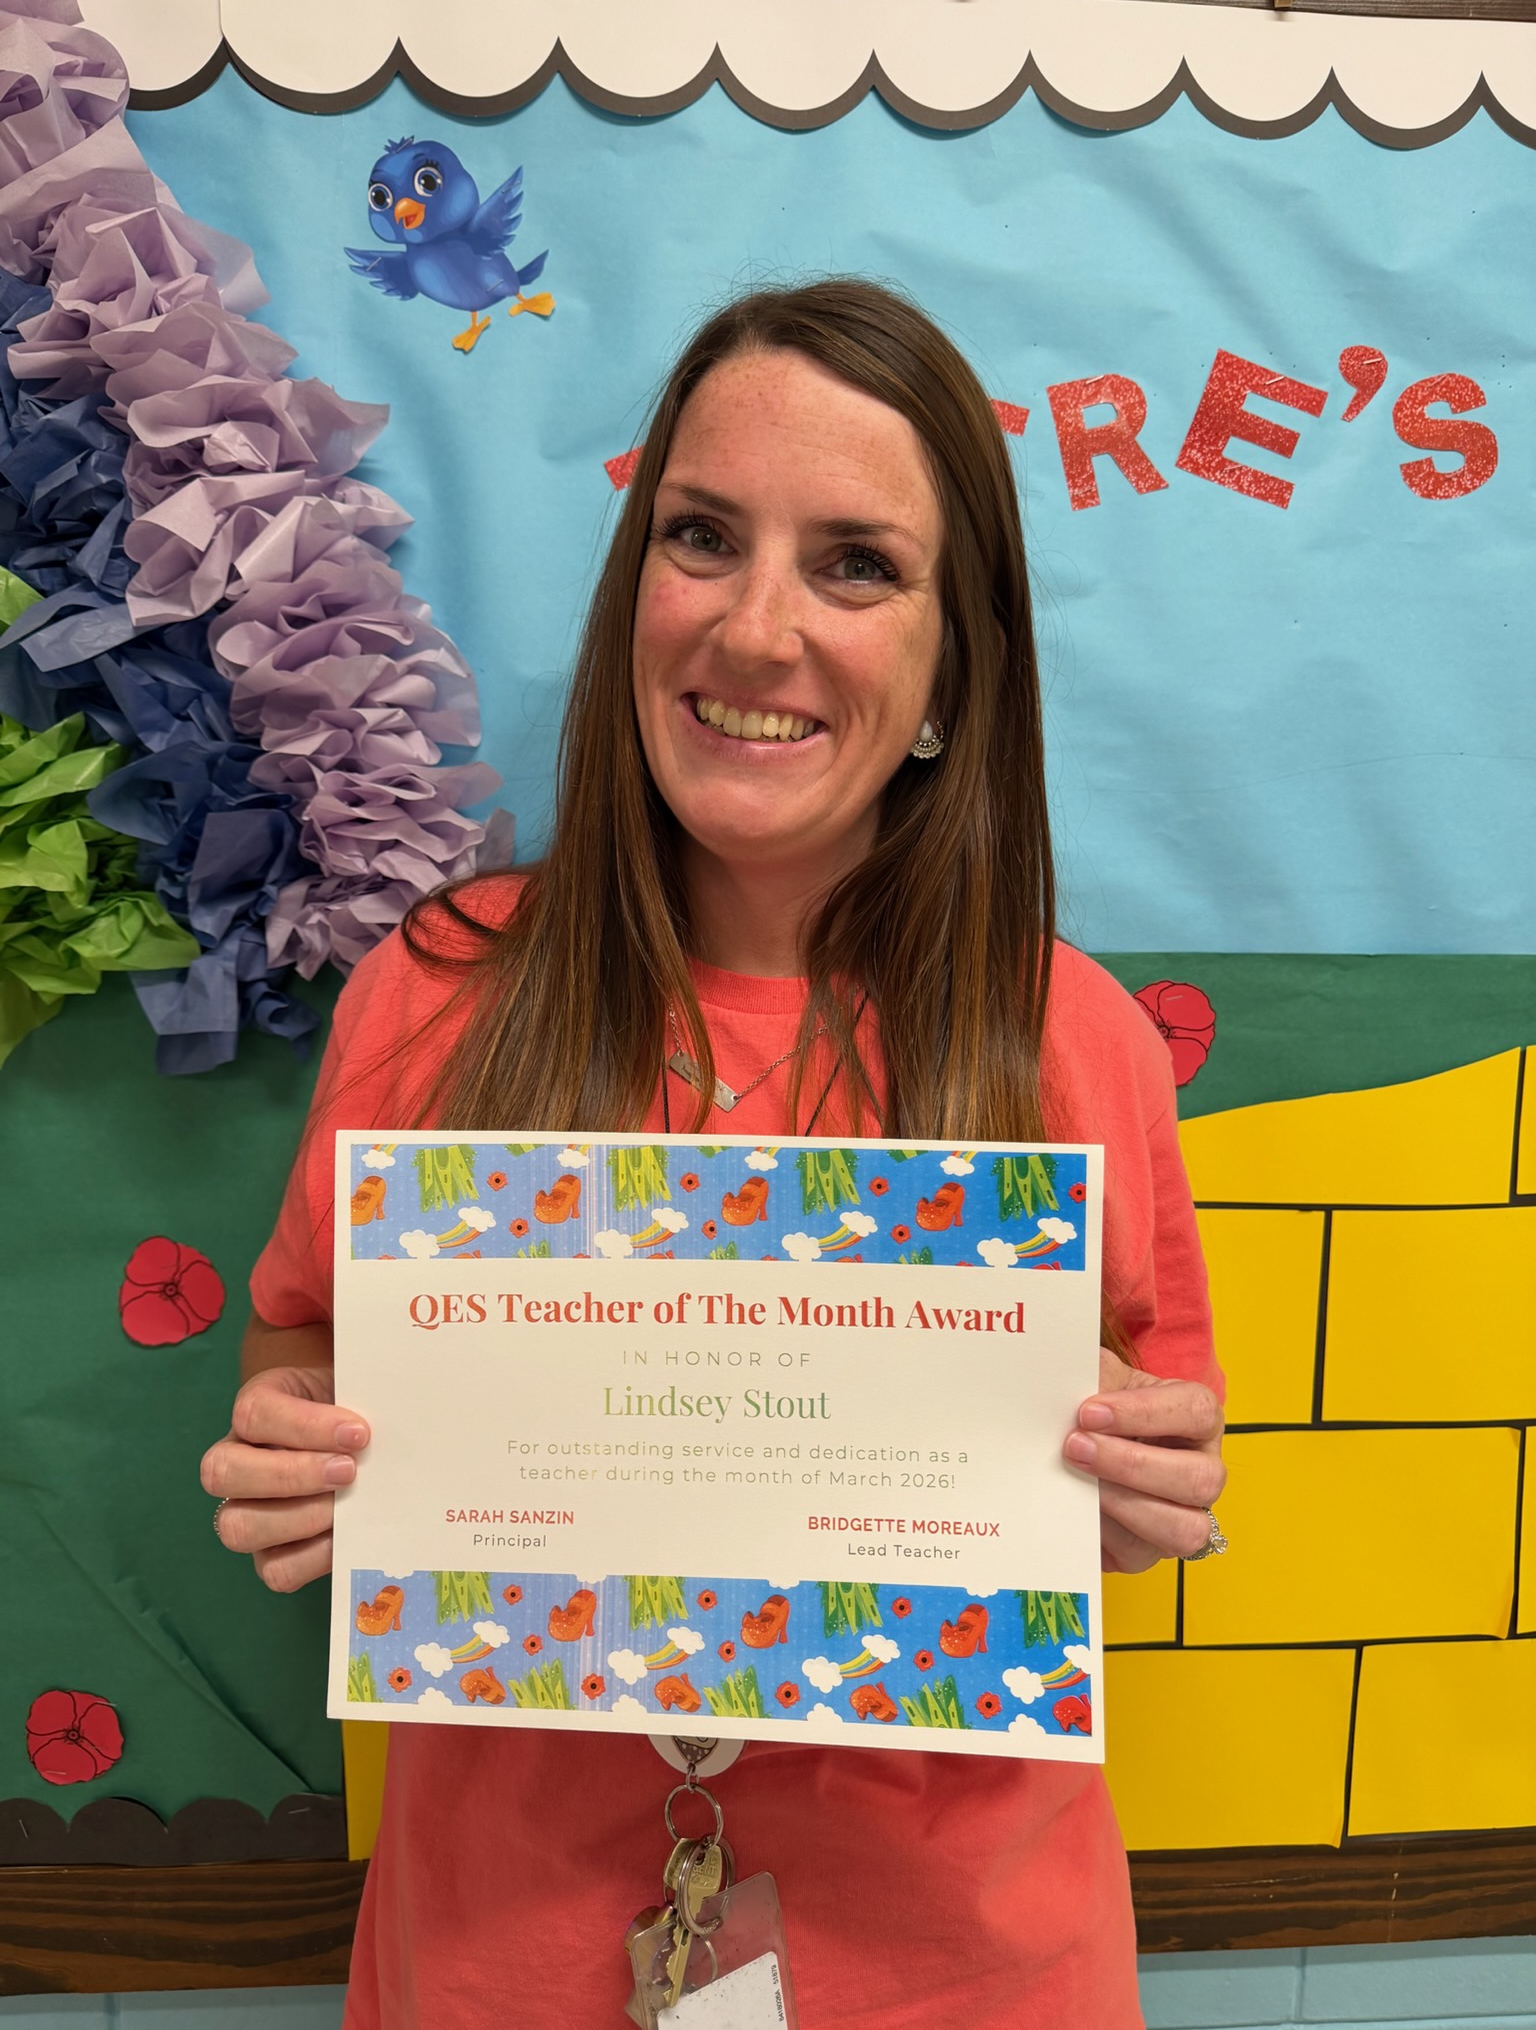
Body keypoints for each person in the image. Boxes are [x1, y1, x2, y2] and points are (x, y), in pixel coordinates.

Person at [201, 278, 1225, 2027]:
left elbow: (1156, 1431)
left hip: (967, 1971)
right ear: (634, 596)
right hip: (502, 1962)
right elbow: (300, 1342)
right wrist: (295, 1455)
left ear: (948, 667)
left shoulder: (1075, 1046)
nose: (757, 633)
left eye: (855, 564)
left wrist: (1146, 1490)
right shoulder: (434, 1000)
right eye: (703, 537)